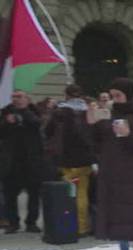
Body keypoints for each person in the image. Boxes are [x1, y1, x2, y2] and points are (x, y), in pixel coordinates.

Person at [91, 78, 133, 250]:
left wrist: (129, 135)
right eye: (112, 95)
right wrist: (92, 124)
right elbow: (97, 142)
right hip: (112, 172)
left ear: (128, 94)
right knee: (118, 214)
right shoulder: (109, 115)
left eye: (118, 95)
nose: (114, 99)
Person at [45, 84, 95, 236]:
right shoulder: (88, 111)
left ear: (66, 95)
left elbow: (47, 131)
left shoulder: (59, 112)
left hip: (65, 159)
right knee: (82, 193)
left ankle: (68, 224)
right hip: (85, 159)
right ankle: (83, 226)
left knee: (68, 193)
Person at [1, 89, 45, 234]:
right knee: (10, 194)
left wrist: (23, 112)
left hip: (31, 160)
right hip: (11, 160)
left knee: (33, 193)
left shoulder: (33, 111)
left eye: (19, 97)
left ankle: (31, 222)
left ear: (27, 99)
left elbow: (36, 124)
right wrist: (8, 122)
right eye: (13, 97)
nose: (16, 99)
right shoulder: (6, 112)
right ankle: (13, 223)